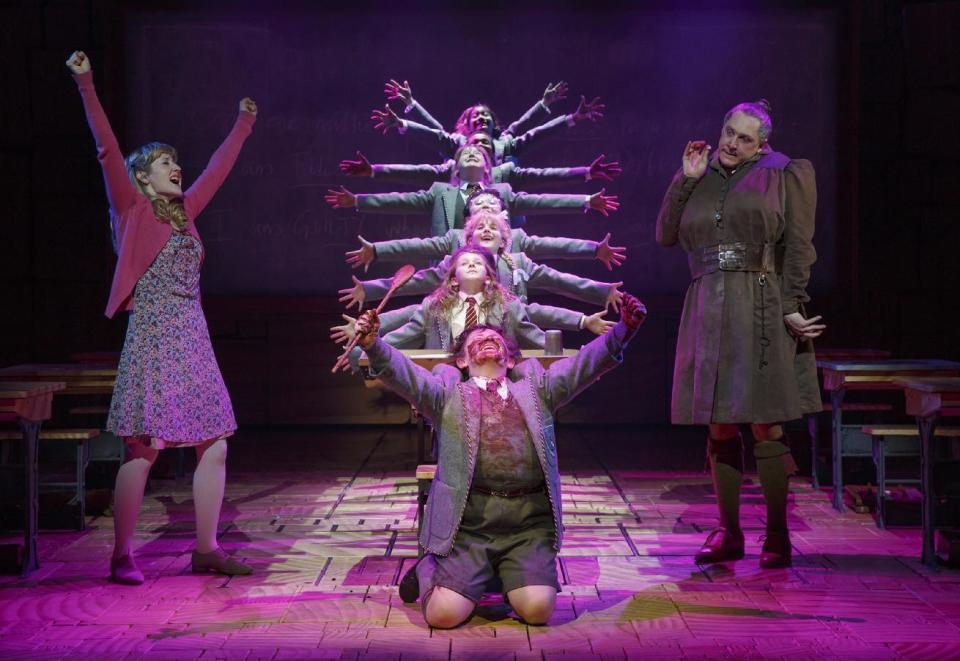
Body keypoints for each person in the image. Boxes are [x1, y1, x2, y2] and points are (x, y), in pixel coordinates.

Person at [67, 50, 256, 584]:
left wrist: (243, 123)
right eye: (165, 163)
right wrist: (86, 82)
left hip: (193, 335)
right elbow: (106, 148)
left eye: (177, 162)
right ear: (142, 178)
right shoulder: (130, 209)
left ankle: (206, 547)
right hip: (152, 334)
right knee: (144, 447)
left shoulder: (186, 213)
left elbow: (218, 168)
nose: (178, 168)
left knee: (215, 440)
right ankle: (122, 554)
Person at [349, 293, 646, 627]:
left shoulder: (538, 390)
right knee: (442, 617)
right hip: (470, 523)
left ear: (510, 360)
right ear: (461, 361)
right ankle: (432, 567)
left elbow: (583, 366)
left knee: (537, 611)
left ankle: (502, 577)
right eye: (477, 339)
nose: (488, 339)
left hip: (527, 524)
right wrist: (374, 345)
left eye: (495, 339)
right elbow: (407, 376)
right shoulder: (447, 394)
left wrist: (623, 330)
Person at [655, 99, 825, 569]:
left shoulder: (784, 172)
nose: (730, 143)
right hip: (707, 303)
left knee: (765, 420)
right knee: (718, 420)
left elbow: (799, 245)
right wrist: (684, 179)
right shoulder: (701, 173)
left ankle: (777, 534)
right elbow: (666, 234)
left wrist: (791, 304)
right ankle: (728, 531)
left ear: (761, 144)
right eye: (728, 132)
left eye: (743, 138)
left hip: (760, 301)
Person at [339, 210, 622, 335]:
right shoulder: (455, 263)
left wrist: (594, 302)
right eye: (480, 229)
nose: (487, 231)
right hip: (456, 334)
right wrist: (371, 289)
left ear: (505, 239)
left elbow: (559, 282)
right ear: (469, 239)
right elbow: (417, 284)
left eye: (494, 228)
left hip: (507, 338)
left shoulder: (519, 263)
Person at [326, 145, 619, 235]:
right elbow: (399, 200)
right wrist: (358, 201)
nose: (470, 154)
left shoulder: (502, 192)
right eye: (464, 153)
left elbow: (542, 201)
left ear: (489, 169)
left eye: (478, 154)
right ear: (454, 168)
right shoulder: (439, 191)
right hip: (449, 268)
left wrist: (585, 200)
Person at [344, 191, 626, 272]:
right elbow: (415, 246)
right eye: (479, 204)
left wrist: (593, 249)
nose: (486, 205)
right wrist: (378, 251)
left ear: (504, 214)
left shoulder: (516, 242)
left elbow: (557, 246)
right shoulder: (454, 243)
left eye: (493, 203)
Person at [372, 80, 603, 164]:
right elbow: (435, 133)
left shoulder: (506, 142)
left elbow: (533, 131)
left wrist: (566, 115)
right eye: (476, 117)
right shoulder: (458, 144)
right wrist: (409, 110)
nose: (482, 119)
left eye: (487, 116)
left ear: (494, 124)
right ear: (466, 125)